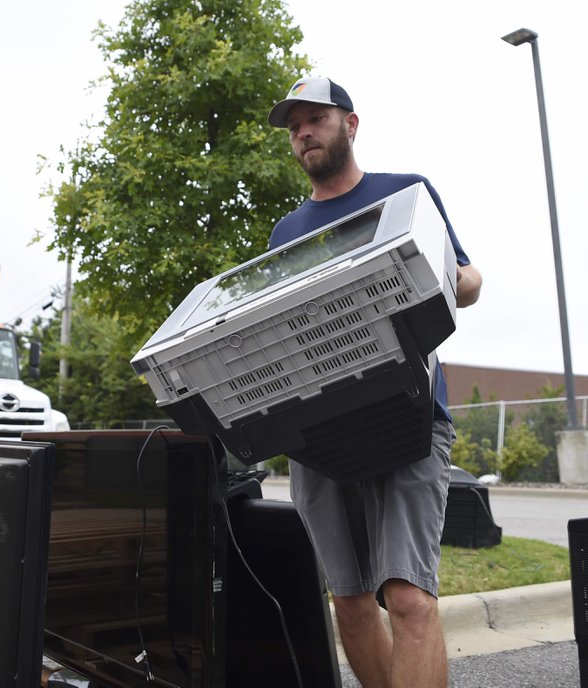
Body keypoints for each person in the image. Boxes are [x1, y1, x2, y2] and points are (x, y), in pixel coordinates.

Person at [267, 76, 482, 688]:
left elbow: (468, 280)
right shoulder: (285, 234)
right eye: (294, 126)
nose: (304, 132)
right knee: (351, 603)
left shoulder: (406, 193)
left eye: (316, 119)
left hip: (409, 416)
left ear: (350, 125)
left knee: (408, 599)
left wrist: (453, 280)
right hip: (319, 435)